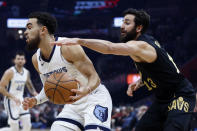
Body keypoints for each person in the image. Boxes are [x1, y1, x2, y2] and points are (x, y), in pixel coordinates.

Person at [52, 8, 196, 131]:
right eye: (122, 22)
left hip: (180, 96)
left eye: (127, 23)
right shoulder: (145, 44)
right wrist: (141, 80)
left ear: (138, 28)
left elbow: (110, 47)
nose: (122, 26)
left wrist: (80, 41)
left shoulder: (140, 46)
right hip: (162, 100)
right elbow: (163, 69)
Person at [22, 12, 112, 131]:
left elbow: (94, 77)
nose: (25, 32)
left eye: (29, 27)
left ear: (43, 30)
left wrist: (86, 89)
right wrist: (36, 100)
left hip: (94, 98)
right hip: (73, 106)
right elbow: (49, 89)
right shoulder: (35, 59)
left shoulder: (67, 47)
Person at [0, 51, 38, 131]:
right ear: (15, 60)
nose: (20, 60)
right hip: (10, 101)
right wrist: (13, 97)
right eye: (18, 59)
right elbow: (1, 87)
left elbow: (29, 85)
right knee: (14, 128)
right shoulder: (9, 72)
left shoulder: (26, 72)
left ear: (25, 61)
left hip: (21, 100)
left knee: (27, 124)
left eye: (22, 59)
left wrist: (34, 93)